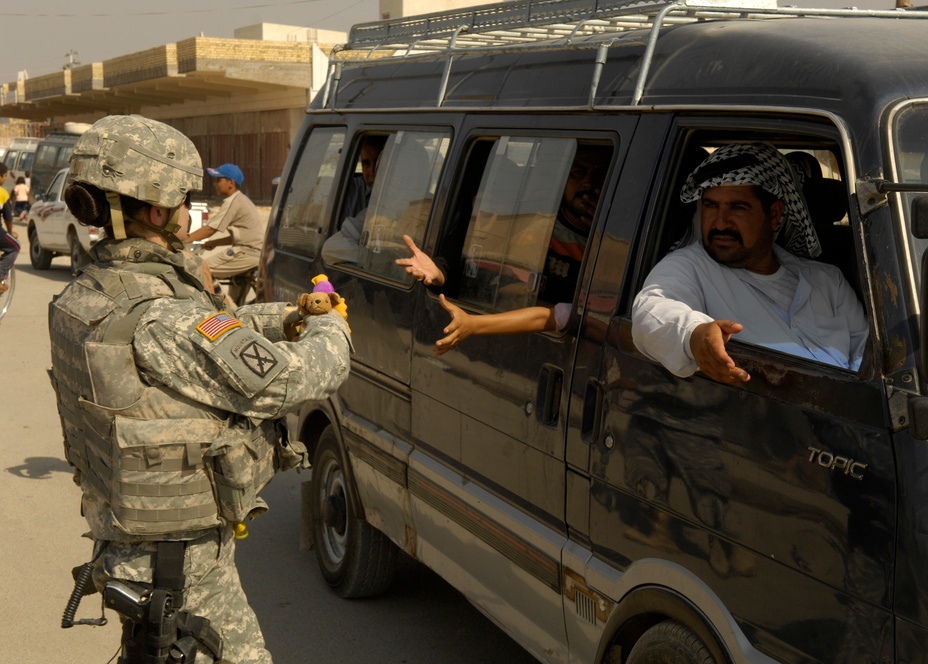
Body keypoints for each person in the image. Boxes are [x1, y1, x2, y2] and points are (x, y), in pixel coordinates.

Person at [48, 115, 352, 664]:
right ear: (158, 210)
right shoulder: (157, 318)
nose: (194, 216)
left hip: (137, 546)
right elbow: (290, 379)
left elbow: (211, 332)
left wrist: (285, 318)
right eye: (187, 203)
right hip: (179, 567)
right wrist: (333, 328)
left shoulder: (94, 293)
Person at [631, 141, 868, 385]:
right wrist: (695, 335)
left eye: (738, 208)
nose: (721, 223)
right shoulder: (687, 266)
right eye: (711, 206)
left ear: (774, 214)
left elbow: (867, 351)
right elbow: (653, 310)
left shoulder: (828, 280)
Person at [396, 143, 610, 354]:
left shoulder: (615, 241)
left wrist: (603, 239)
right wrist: (438, 274)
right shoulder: (532, 231)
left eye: (599, 175)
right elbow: (484, 282)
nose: (588, 184)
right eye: (579, 172)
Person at [186, 162, 264, 278]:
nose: (214, 184)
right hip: (253, 252)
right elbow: (243, 236)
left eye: (218, 180)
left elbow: (210, 229)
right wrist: (215, 242)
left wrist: (184, 239)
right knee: (236, 292)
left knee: (198, 269)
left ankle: (215, 296)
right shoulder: (242, 199)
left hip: (246, 252)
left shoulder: (233, 201)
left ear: (231, 183)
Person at [321, 135, 387, 265]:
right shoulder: (348, 192)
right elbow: (333, 246)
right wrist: (375, 261)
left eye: (380, 163)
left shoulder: (406, 202)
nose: (373, 171)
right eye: (366, 164)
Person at [0, 164, 19, 294]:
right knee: (15, 247)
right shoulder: (3, 194)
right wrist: (11, 232)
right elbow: (8, 218)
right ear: (1, 176)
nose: (6, 178)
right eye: (5, 175)